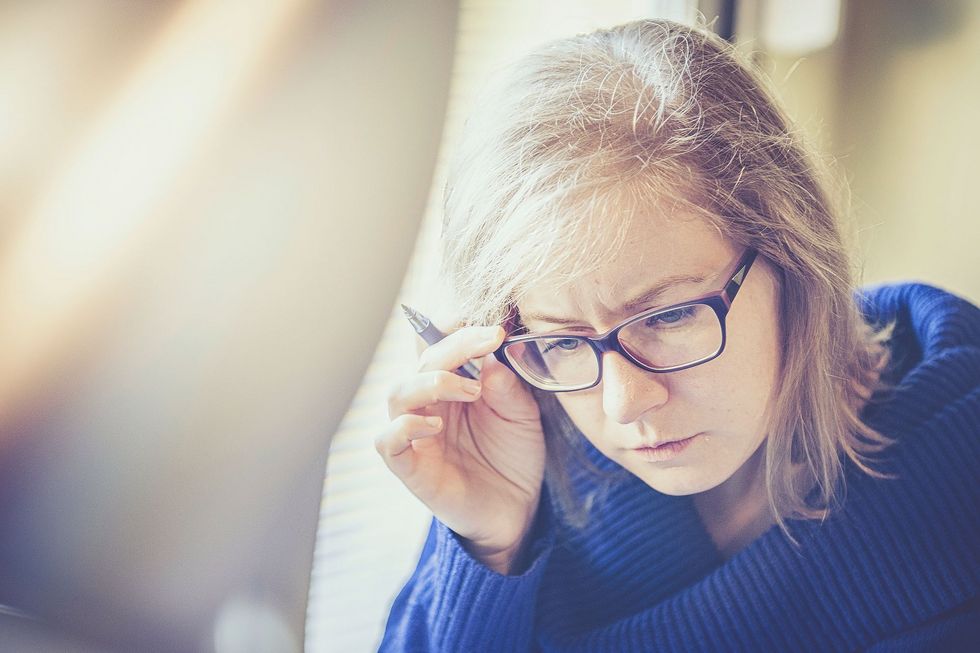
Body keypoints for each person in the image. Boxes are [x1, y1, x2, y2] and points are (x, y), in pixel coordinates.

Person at [376, 19, 979, 652]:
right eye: (565, 341)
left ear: (791, 259)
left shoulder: (956, 468)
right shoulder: (525, 457)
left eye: (667, 316)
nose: (623, 402)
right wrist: (491, 546)